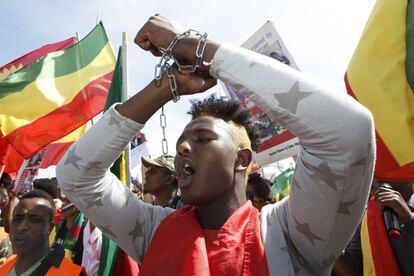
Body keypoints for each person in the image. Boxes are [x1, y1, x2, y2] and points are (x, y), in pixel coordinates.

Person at [56, 15, 375, 275]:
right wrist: (165, 88)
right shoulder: (154, 231)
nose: (183, 149)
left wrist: (196, 48)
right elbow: (75, 176)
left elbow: (350, 132)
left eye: (203, 139)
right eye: (182, 141)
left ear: (242, 159)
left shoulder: (288, 235)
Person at [0, 190, 85, 275]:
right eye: (17, 219)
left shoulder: (71, 273)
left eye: (35, 220)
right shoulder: (4, 267)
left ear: (50, 227)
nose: (22, 227)